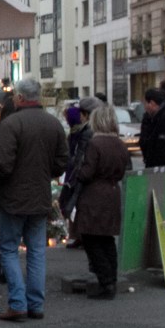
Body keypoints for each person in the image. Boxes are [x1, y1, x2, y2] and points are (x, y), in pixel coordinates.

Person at [0, 78, 69, 321]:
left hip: (13, 197)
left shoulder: (11, 124)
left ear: (20, 98)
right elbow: (62, 161)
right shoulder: (53, 124)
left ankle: (17, 302)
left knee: (10, 249)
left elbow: (1, 164)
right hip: (40, 196)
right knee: (36, 251)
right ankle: (36, 303)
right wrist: (46, 173)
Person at [73, 105, 132, 300]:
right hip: (112, 193)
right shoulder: (120, 145)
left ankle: (105, 281)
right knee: (107, 240)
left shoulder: (95, 144)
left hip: (94, 196)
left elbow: (87, 173)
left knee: (92, 240)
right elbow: (125, 170)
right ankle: (111, 280)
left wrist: (77, 172)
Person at [60, 96, 102, 248]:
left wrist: (75, 173)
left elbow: (80, 155)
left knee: (79, 204)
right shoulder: (86, 130)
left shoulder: (86, 132)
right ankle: (80, 235)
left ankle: (83, 236)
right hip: (83, 173)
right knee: (78, 204)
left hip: (83, 173)